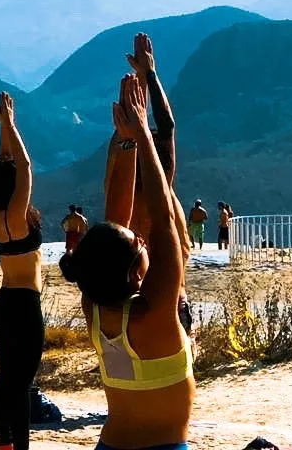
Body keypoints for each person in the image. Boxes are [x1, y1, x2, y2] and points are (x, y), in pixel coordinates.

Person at [61, 74, 194, 450]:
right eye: (140, 245)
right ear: (137, 272)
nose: (142, 238)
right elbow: (164, 215)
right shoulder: (160, 311)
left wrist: (125, 142)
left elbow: (114, 222)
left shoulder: (96, 310)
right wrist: (143, 138)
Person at [106, 33, 194, 335]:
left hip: (128, 305)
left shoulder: (120, 205)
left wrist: (131, 120)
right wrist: (149, 77)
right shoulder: (163, 198)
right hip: (168, 297)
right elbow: (167, 127)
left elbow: (122, 149)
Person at [0, 91, 44, 450]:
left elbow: (6, 164)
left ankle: (4, 443)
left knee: (7, 376)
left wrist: (2, 129)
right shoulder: (19, 216)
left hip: (5, 300)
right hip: (24, 304)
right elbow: (24, 167)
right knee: (21, 382)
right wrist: (11, 124)